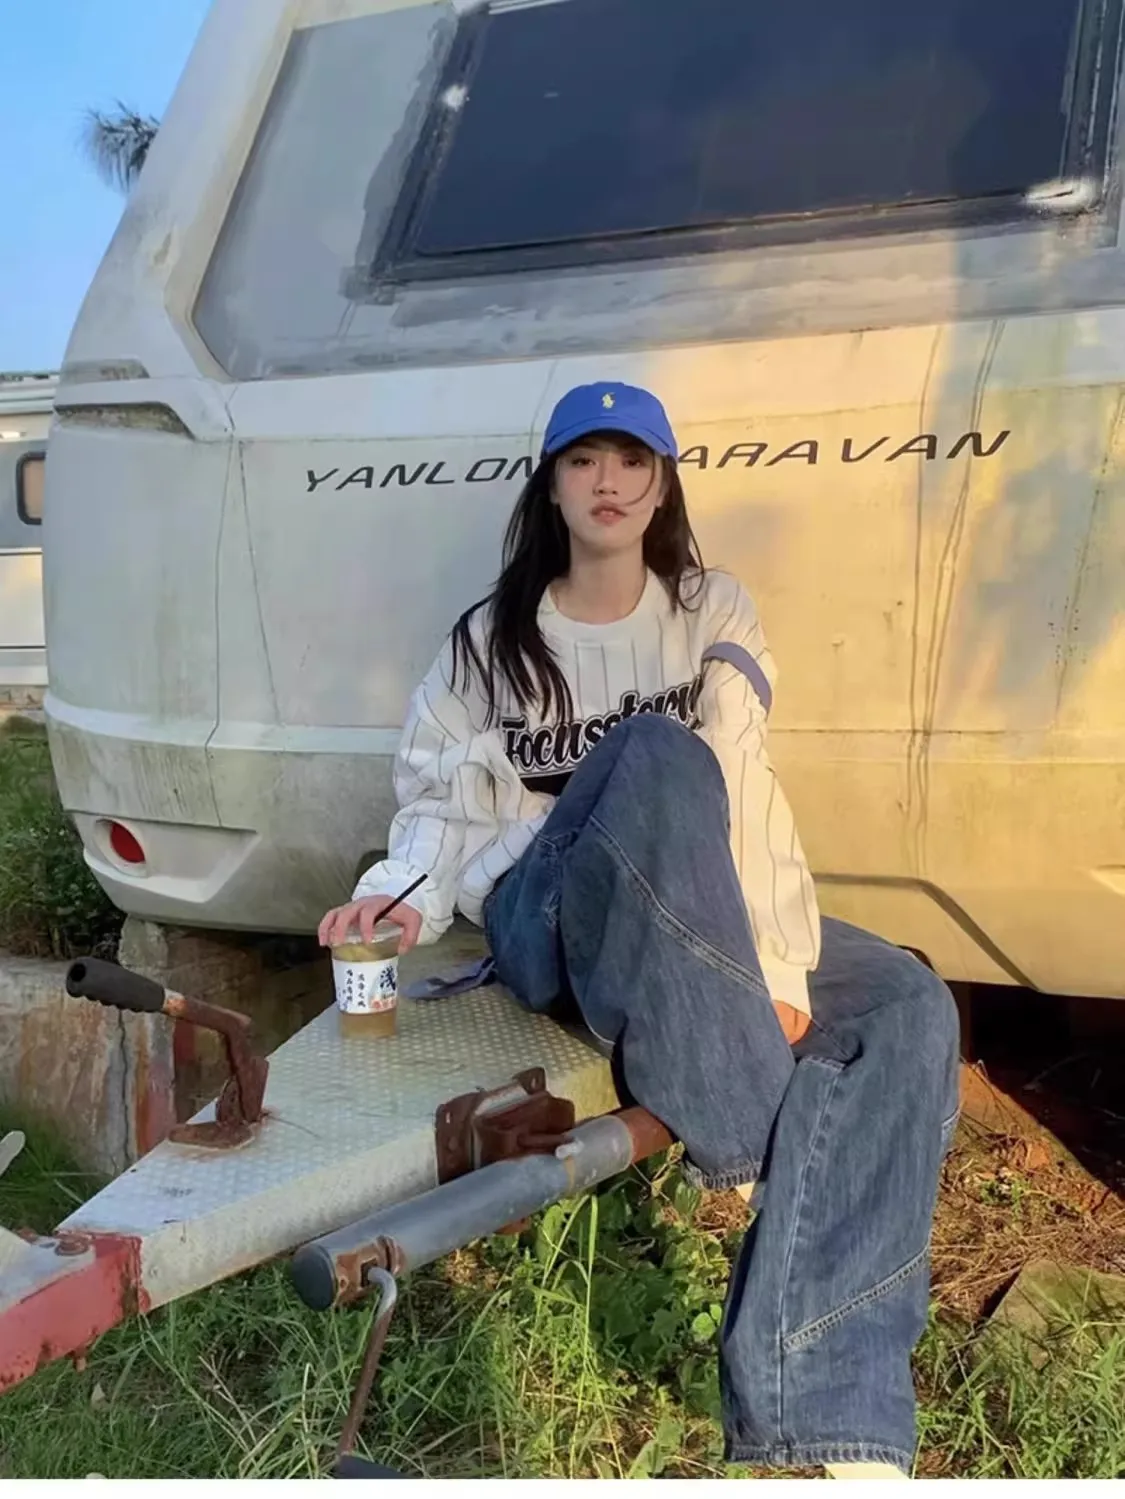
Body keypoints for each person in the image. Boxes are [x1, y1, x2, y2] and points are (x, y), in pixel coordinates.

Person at [320, 382, 960, 1478]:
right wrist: (400, 897)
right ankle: (756, 1123)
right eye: (582, 460)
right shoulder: (488, 641)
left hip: (699, 916)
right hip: (550, 918)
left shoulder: (710, 611)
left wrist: (778, 963)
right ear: (551, 486)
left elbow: (744, 776)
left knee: (904, 1000)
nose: (607, 481)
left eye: (630, 459)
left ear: (662, 485)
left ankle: (832, 1419)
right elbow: (437, 798)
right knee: (652, 755)